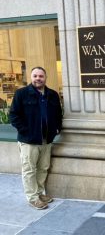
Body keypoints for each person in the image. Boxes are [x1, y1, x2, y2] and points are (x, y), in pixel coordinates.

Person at [10, 66, 63, 210]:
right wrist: (26, 131)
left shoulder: (52, 94)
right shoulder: (22, 94)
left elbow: (58, 113)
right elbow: (13, 115)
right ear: (31, 78)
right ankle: (32, 198)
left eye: (41, 76)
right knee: (29, 170)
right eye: (35, 76)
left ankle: (40, 193)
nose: (38, 78)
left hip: (47, 139)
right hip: (29, 141)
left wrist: (57, 128)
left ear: (45, 78)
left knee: (43, 168)